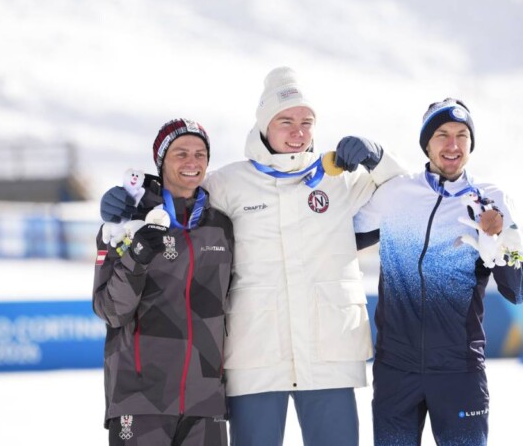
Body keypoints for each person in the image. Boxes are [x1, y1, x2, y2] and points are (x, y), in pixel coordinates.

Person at [99, 67, 406, 446]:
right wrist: (126, 201)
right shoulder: (229, 183)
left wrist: (379, 158)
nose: (298, 132)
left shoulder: (340, 179)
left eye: (307, 122)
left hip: (330, 351)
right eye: (286, 121)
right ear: (264, 126)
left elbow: (409, 204)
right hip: (255, 353)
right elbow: (179, 189)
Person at [353, 98, 523, 445]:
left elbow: (520, 289)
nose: (453, 145)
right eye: (442, 134)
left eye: (462, 135)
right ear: (426, 143)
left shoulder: (489, 199)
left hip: (460, 373)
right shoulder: (397, 193)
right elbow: (335, 238)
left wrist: (497, 244)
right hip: (396, 371)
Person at [93, 118, 234, 446]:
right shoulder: (129, 220)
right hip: (140, 400)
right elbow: (111, 309)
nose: (192, 162)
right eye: (181, 153)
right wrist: (136, 258)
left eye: (200, 154)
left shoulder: (221, 226)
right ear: (161, 161)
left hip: (206, 402)